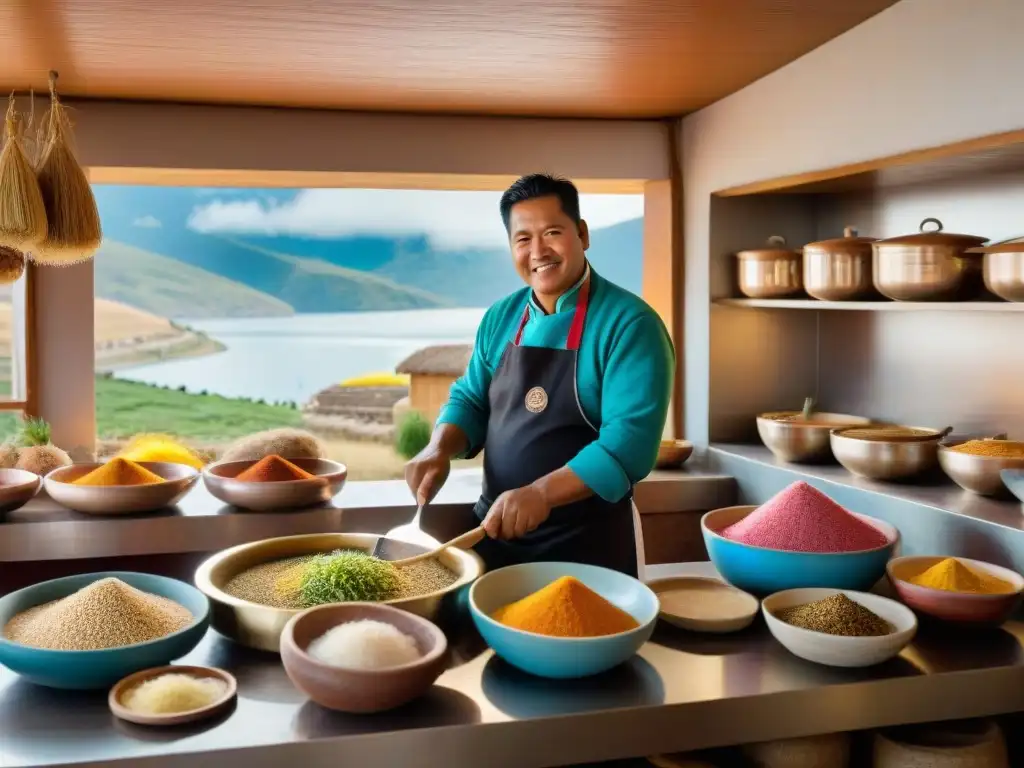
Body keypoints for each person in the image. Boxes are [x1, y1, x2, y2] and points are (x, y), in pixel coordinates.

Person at [404, 174, 675, 577]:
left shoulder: (631, 325)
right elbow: (472, 399)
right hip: (493, 537)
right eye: (523, 238)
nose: (538, 251)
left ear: (582, 234)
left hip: (587, 551)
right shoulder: (502, 316)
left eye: (552, 232)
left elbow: (628, 447)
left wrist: (541, 494)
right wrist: (439, 447)